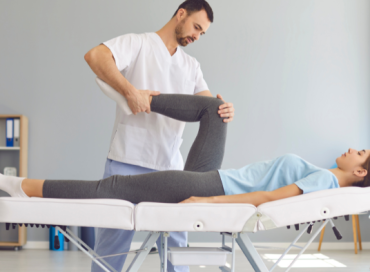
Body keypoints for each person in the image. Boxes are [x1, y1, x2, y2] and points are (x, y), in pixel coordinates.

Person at [1, 94, 370, 208]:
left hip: (213, 189)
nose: (353, 149)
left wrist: (206, 202)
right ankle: (142, 96)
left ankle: (25, 187)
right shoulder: (324, 179)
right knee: (216, 108)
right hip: (215, 178)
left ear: (360, 173)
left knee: (113, 188)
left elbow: (266, 197)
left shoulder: (324, 179)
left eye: (361, 153)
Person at [83, 0, 235, 272]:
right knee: (111, 249)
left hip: (170, 168)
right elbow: (95, 56)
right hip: (127, 160)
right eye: (197, 27)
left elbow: (205, 105)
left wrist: (221, 109)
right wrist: (131, 91)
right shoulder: (138, 43)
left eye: (203, 33)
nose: (198, 36)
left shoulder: (191, 67)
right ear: (181, 14)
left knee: (178, 249)